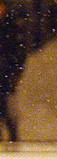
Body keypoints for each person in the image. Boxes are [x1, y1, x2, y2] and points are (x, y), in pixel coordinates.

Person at [0, 1, 27, 141]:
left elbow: (18, 54)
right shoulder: (11, 27)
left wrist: (13, 74)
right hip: (6, 75)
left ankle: (13, 141)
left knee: (9, 113)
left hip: (6, 77)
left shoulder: (10, 27)